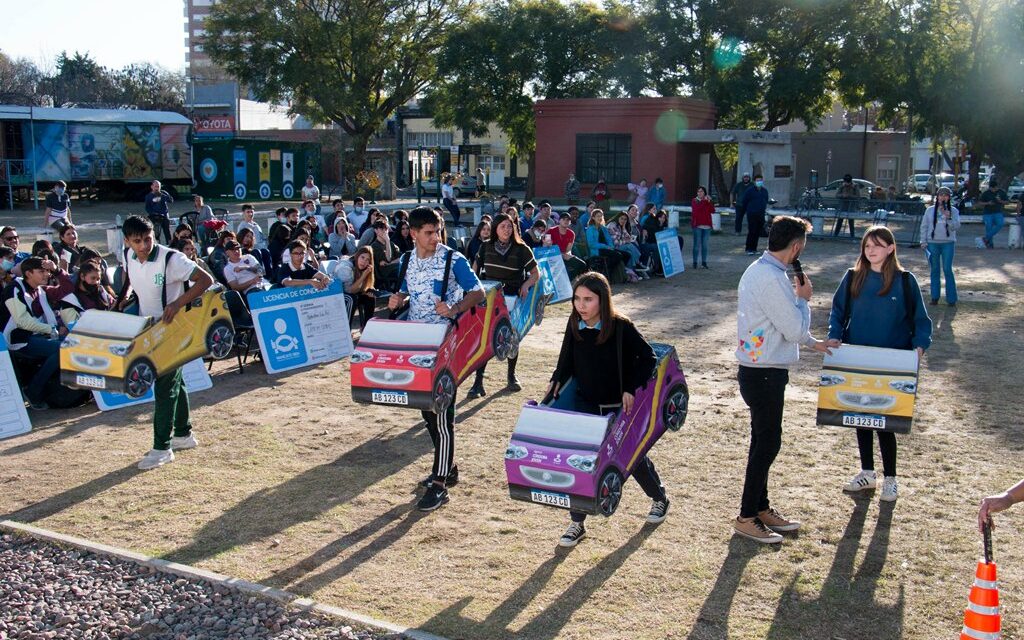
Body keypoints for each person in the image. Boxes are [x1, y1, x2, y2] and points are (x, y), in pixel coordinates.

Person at [734, 216, 838, 544]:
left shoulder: (762, 271)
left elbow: (787, 326)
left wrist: (813, 342)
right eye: (802, 247)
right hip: (763, 372)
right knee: (767, 443)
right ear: (795, 247)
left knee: (763, 440)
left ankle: (760, 507)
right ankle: (747, 516)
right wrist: (804, 299)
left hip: (761, 369)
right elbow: (792, 327)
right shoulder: (771, 277)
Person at [548, 272, 670, 547]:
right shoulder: (574, 323)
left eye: (588, 299)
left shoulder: (621, 327)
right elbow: (566, 356)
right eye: (577, 299)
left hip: (616, 406)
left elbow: (648, 357)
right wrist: (557, 379)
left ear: (602, 300)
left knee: (631, 458)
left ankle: (659, 498)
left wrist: (630, 386)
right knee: (581, 460)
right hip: (585, 403)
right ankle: (577, 523)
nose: (581, 305)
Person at [387, 207, 485, 512]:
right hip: (417, 343)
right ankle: (449, 467)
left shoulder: (453, 259)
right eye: (428, 232)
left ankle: (441, 483)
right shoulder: (406, 260)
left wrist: (453, 309)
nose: (435, 237)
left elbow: (478, 292)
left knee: (442, 414)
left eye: (438, 231)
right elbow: (406, 291)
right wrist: (397, 299)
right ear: (413, 233)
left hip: (446, 343)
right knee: (425, 411)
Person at [828, 226, 931, 502]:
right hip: (858, 358)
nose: (870, 250)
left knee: (885, 423)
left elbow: (921, 321)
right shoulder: (853, 277)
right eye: (866, 246)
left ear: (890, 248)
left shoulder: (905, 281)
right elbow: (837, 312)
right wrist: (835, 337)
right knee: (861, 417)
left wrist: (920, 345)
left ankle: (891, 479)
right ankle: (867, 473)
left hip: (892, 362)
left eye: (876, 245)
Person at [119, 215, 213, 469]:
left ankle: (162, 448)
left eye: (148, 239)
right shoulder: (128, 256)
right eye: (137, 241)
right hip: (149, 327)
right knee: (173, 382)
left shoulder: (172, 259)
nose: (144, 245)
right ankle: (183, 434)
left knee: (164, 386)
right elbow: (133, 278)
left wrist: (176, 303)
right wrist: (125, 295)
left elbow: (206, 280)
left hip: (173, 328)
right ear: (127, 241)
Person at [469, 212, 540, 398]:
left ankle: (511, 376)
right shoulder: (485, 247)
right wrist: (475, 290)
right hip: (489, 300)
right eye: (503, 226)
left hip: (512, 298)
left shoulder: (522, 249)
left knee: (511, 337)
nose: (507, 230)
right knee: (484, 340)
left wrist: (526, 285)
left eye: (510, 226)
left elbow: (535, 273)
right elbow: (474, 271)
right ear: (495, 229)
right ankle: (478, 383)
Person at [0, 257, 73, 409]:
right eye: (42, 271)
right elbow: (23, 322)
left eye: (47, 271)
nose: (47, 274)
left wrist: (57, 270)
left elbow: (68, 289)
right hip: (19, 339)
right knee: (62, 349)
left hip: (39, 335)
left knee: (72, 343)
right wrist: (53, 330)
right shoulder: (14, 289)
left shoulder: (41, 290)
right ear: (28, 273)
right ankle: (33, 392)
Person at [919, 187, 960, 306]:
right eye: (941, 195)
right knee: (935, 269)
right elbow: (924, 226)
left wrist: (949, 217)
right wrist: (923, 241)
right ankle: (934, 297)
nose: (943, 197)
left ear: (949, 197)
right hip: (932, 242)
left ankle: (951, 299)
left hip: (948, 243)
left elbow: (956, 226)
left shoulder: (954, 211)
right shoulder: (930, 210)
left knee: (947, 269)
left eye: (946, 195)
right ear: (937, 197)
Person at [333, 246, 376, 330]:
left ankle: (367, 329)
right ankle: (346, 330)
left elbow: (359, 288)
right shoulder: (346, 268)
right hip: (338, 295)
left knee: (370, 297)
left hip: (351, 293)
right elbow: (349, 290)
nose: (364, 261)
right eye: (362, 257)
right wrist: (363, 276)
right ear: (357, 256)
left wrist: (369, 291)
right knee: (352, 299)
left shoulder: (362, 268)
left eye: (367, 260)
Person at [59, 260, 115, 324]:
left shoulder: (101, 292)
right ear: (82, 276)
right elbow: (73, 327)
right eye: (93, 278)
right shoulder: (68, 302)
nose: (96, 282)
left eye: (98, 279)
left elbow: (113, 304)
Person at [585, 210, 627, 276]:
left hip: (607, 248)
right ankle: (607, 272)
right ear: (593, 218)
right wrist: (605, 246)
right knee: (618, 255)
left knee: (627, 255)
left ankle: (618, 272)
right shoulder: (590, 229)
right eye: (598, 216)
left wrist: (611, 247)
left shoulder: (603, 228)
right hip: (597, 250)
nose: (600, 218)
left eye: (601, 216)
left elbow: (609, 240)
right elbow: (591, 244)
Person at [548, 212, 588, 280]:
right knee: (564, 268)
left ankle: (571, 281)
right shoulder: (550, 231)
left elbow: (568, 250)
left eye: (568, 220)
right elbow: (547, 247)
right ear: (559, 220)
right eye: (564, 219)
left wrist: (566, 255)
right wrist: (560, 255)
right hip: (552, 256)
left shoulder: (571, 233)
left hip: (564, 255)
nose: (566, 221)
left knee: (582, 265)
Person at [740, 174, 771, 255]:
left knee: (757, 232)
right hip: (752, 214)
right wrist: (748, 210)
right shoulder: (750, 191)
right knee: (752, 231)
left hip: (761, 214)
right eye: (757, 180)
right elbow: (744, 201)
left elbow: (766, 200)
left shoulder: (764, 191)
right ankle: (748, 249)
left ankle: (754, 248)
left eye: (760, 180)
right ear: (754, 181)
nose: (759, 182)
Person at [607, 211, 643, 280]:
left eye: (625, 219)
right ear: (618, 218)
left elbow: (629, 239)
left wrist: (623, 228)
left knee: (630, 252)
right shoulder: (612, 226)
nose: (623, 220)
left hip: (619, 246)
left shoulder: (620, 226)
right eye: (622, 218)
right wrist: (625, 241)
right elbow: (615, 243)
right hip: (612, 248)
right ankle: (638, 263)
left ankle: (631, 274)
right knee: (629, 246)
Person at [978, 179, 1009, 249]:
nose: (993, 190)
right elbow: (980, 202)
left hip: (998, 212)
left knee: (1000, 224)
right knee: (988, 227)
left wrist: (1000, 201)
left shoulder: (1001, 192)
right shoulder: (986, 193)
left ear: (996, 187)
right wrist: (988, 203)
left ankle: (986, 238)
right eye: (992, 188)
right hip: (987, 213)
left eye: (994, 188)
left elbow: (1007, 202)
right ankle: (990, 244)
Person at [368, 220, 401, 284]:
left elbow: (400, 258)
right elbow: (388, 259)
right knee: (402, 270)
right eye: (381, 228)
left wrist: (390, 263)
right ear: (376, 231)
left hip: (394, 267)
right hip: (385, 272)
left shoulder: (391, 244)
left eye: (386, 228)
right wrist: (387, 241)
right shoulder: (374, 246)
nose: (384, 231)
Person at [144, 180, 174, 244]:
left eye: (158, 187)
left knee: (167, 232)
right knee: (155, 233)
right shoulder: (148, 196)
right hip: (154, 217)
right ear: (152, 187)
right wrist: (153, 213)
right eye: (155, 186)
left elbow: (171, 200)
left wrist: (165, 195)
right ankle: (156, 245)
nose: (157, 188)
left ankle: (170, 245)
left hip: (164, 215)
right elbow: (147, 208)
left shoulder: (163, 194)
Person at [691, 186, 714, 269]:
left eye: (701, 191)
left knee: (705, 245)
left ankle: (704, 262)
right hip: (697, 226)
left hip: (707, 226)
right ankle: (695, 262)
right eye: (698, 191)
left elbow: (712, 210)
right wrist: (704, 201)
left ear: (704, 192)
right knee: (696, 245)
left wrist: (709, 201)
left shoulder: (707, 201)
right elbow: (696, 210)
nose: (699, 193)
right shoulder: (695, 200)